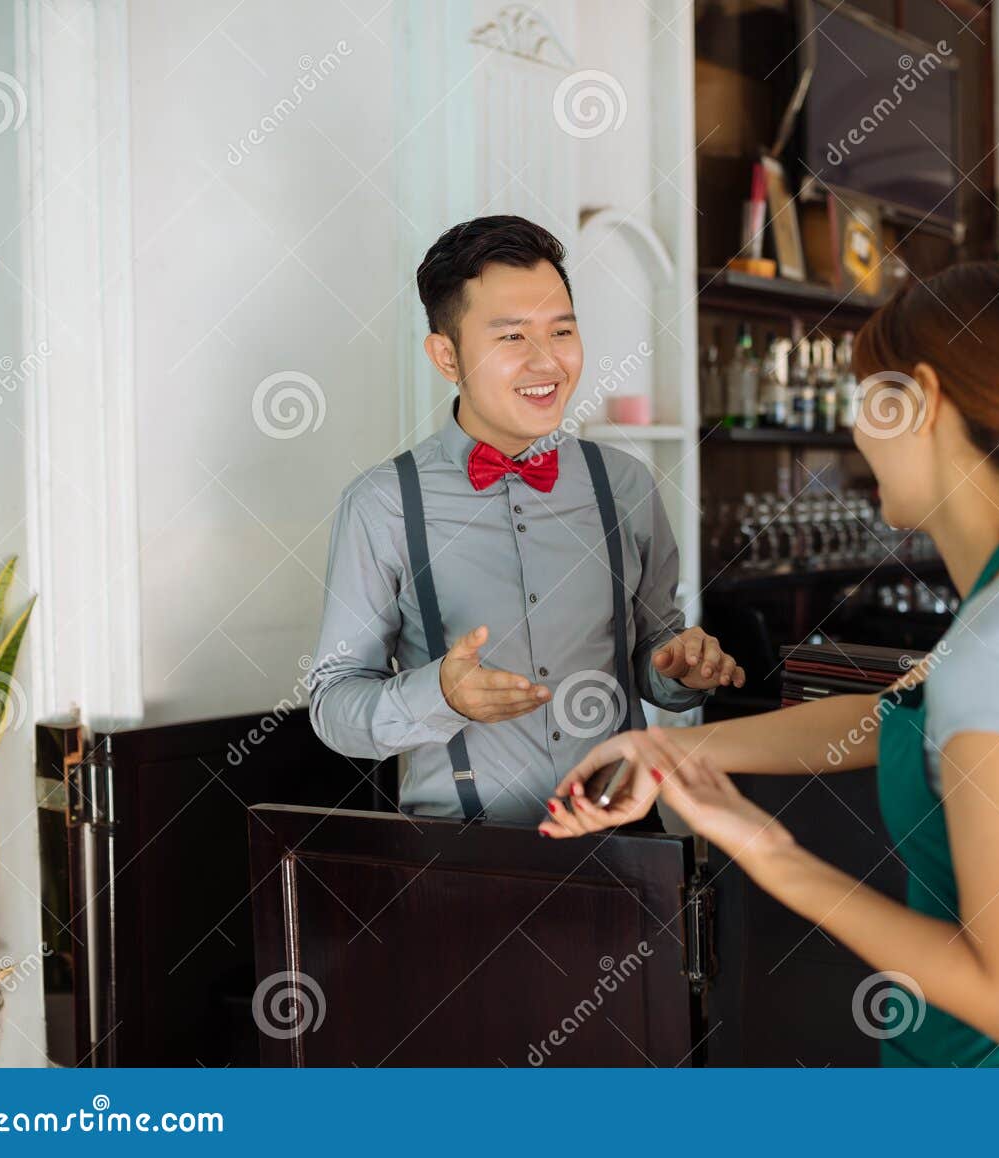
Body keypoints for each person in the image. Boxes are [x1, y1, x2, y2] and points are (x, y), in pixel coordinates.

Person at [542, 262, 999, 1066]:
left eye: (865, 402)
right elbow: (902, 718)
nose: (856, 435)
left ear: (921, 398)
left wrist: (767, 851)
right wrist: (664, 752)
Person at [309, 215, 743, 826]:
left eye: (561, 330)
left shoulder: (626, 485)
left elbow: (654, 656)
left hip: (625, 843)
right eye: (512, 338)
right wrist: (440, 695)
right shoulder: (382, 504)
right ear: (446, 356)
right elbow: (333, 705)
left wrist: (680, 669)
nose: (548, 362)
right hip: (460, 857)